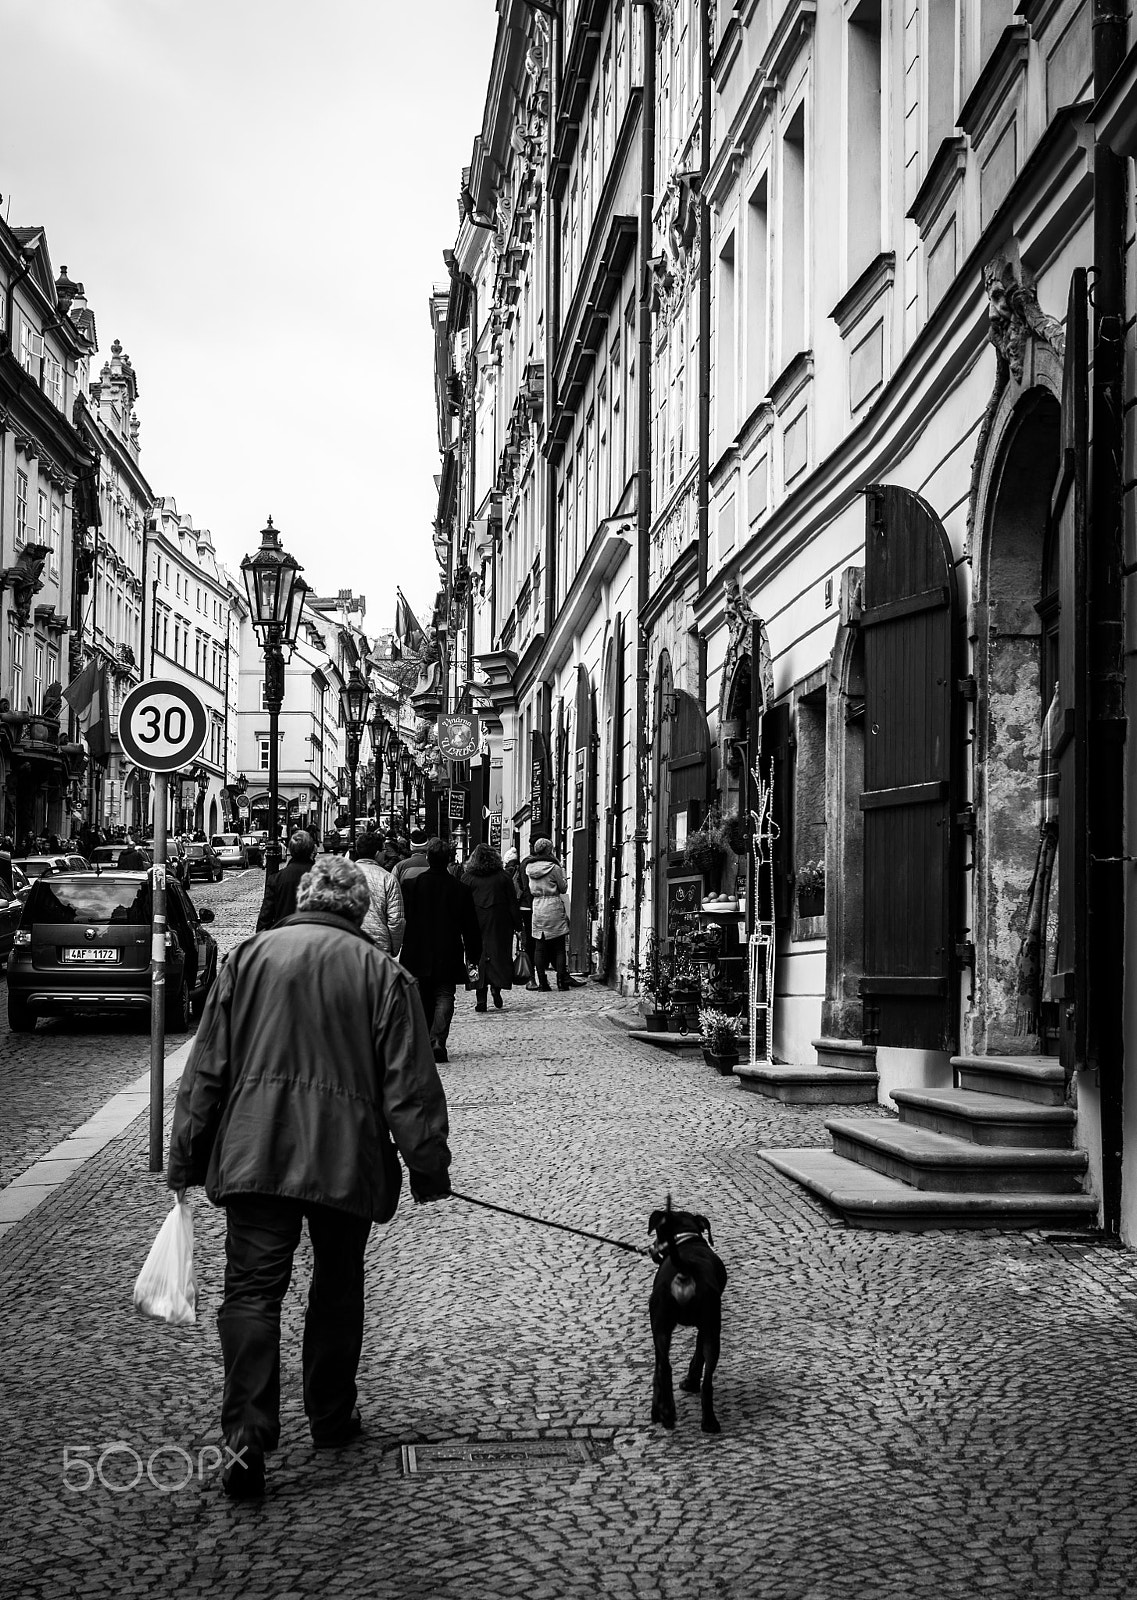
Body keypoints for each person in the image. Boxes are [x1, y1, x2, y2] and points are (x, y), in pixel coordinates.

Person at [167, 854, 451, 1501]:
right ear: (358, 910)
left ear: (304, 898)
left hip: (254, 1152)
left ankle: (245, 1431)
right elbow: (409, 1089)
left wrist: (184, 1155)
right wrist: (427, 1168)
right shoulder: (384, 975)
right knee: (337, 1284)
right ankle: (329, 1415)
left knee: (252, 1290)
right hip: (342, 1157)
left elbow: (206, 1068)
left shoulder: (248, 960)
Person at [400, 837, 482, 1062]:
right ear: (448, 859)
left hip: (418, 950)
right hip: (448, 948)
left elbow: (404, 920)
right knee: (445, 995)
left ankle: (427, 1040)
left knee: (423, 996)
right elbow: (471, 928)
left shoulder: (412, 886)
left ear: (428, 858)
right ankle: (437, 1039)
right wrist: (473, 956)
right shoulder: (460, 889)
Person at [462, 842, 523, 1012]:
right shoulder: (503, 877)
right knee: (498, 955)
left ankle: (480, 996)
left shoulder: (468, 878)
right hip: (500, 923)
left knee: (476, 957)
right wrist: (518, 926)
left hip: (474, 922)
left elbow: (461, 903)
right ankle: (496, 987)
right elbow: (512, 903)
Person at [526, 837, 572, 991]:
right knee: (559, 947)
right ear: (549, 850)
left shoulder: (530, 868)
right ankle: (561, 981)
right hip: (553, 905)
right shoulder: (554, 867)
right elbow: (563, 888)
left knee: (539, 946)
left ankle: (542, 983)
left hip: (538, 906)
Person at [354, 832, 405, 955]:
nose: (385, 853)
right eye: (383, 850)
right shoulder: (388, 878)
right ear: (377, 853)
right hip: (379, 946)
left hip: (350, 943)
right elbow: (396, 920)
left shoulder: (343, 874)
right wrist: (394, 948)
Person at [255, 829, 316, 931]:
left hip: (283, 936)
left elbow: (265, 918)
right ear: (311, 850)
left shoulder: (277, 879)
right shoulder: (321, 877)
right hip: (315, 938)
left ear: (290, 851)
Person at [504, 846, 537, 990]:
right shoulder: (522, 866)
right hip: (528, 907)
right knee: (531, 942)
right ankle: (532, 977)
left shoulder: (507, 872)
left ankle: (529, 976)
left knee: (525, 942)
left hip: (520, 907)